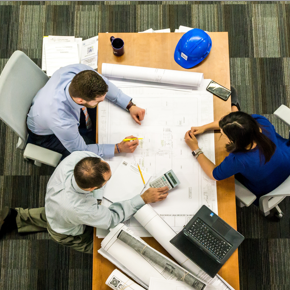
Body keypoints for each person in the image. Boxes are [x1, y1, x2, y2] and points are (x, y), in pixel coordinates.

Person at [0, 151, 169, 253]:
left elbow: (97, 160)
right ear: (91, 189)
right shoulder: (81, 209)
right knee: (104, 246)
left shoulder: (79, 159)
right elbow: (111, 218)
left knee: (50, 215)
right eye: (106, 182)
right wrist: (142, 198)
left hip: (54, 206)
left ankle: (15, 217)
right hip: (65, 229)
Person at [27, 64, 146, 158]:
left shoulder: (79, 72)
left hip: (48, 105)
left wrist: (129, 105)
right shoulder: (61, 121)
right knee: (90, 152)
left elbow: (106, 85)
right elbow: (81, 150)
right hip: (46, 135)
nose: (102, 101)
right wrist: (118, 148)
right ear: (80, 100)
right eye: (99, 101)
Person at [184, 109, 290, 203]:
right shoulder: (261, 122)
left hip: (267, 185)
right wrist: (204, 128)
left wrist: (195, 149)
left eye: (223, 135)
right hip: (286, 161)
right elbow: (236, 124)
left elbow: (214, 174)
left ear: (234, 141)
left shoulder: (239, 160)